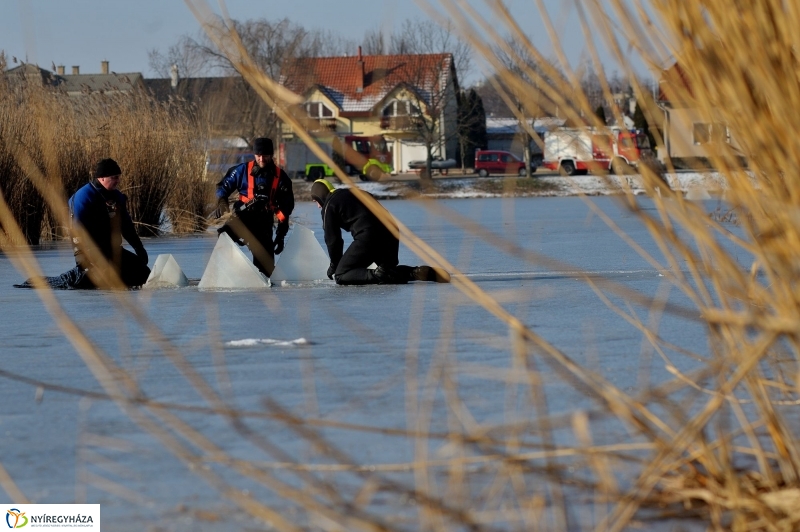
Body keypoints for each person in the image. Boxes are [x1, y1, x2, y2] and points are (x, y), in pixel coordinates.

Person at [15, 158, 151, 289]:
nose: (118, 180)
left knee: (143, 274)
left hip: (112, 251)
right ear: (102, 178)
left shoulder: (117, 197)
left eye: (118, 177)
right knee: (98, 280)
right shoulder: (83, 197)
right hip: (89, 254)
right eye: (114, 177)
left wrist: (139, 249)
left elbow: (126, 226)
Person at [310, 179, 450, 285]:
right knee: (387, 269)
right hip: (392, 231)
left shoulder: (329, 205)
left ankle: (379, 274)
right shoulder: (355, 192)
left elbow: (333, 240)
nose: (317, 206)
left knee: (342, 275)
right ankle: (417, 272)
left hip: (369, 235)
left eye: (316, 201)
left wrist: (335, 265)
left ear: (320, 197)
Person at [214, 137, 294, 276]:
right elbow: (223, 186)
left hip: (264, 224)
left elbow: (285, 209)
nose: (261, 159)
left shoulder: (281, 178)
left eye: (265, 155)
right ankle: (227, 275)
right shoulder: (241, 171)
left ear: (271, 155)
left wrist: (281, 235)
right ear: (254, 154)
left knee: (266, 272)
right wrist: (222, 202)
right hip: (242, 219)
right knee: (224, 237)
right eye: (258, 155)